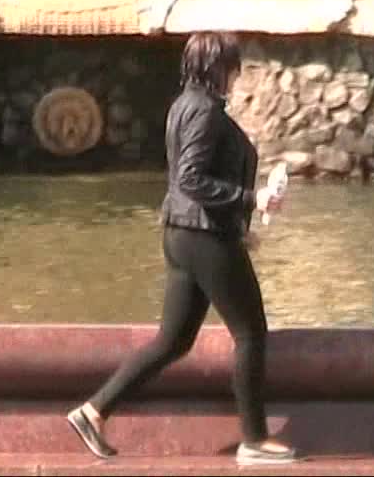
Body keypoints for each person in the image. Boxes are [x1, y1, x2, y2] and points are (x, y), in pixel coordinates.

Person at [67, 31, 297, 465]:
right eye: (233, 67)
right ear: (218, 68)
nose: (236, 76)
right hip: (204, 237)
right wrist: (253, 199)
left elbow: (190, 179)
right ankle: (254, 440)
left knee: (173, 341)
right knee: (250, 333)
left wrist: (240, 224)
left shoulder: (185, 105)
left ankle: (93, 412)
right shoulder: (204, 111)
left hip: (185, 234)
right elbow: (191, 178)